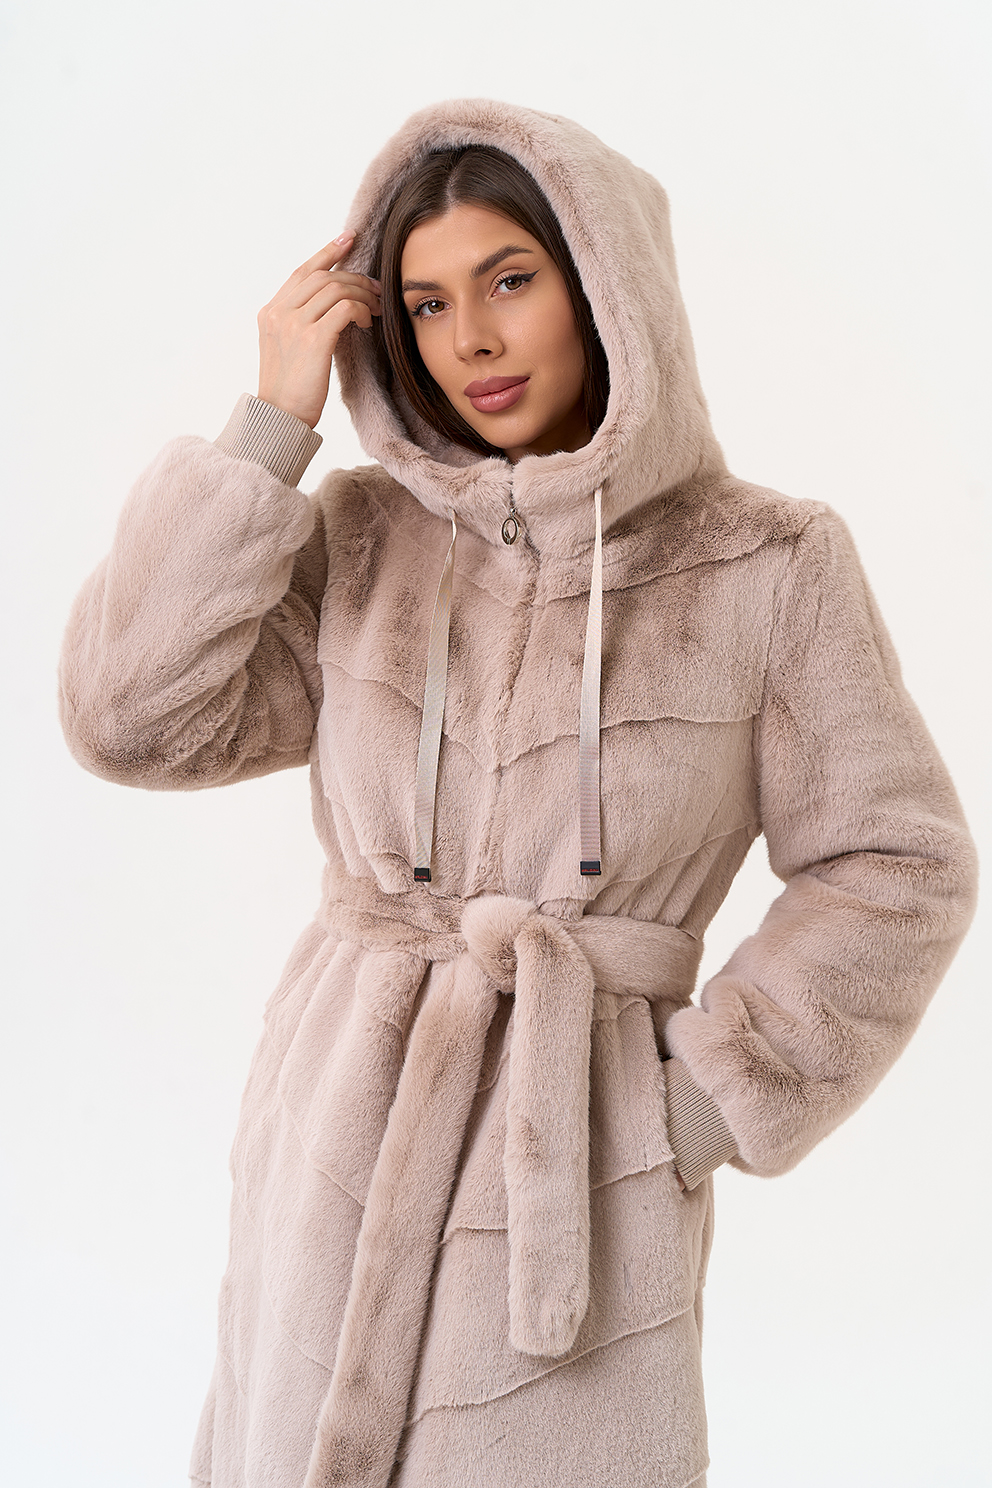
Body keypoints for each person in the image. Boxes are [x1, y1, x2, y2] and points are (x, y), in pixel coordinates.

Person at [58, 99, 977, 1488]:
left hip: (574, 1181)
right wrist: (265, 436)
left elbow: (897, 861)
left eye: (509, 280)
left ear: (602, 283)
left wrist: (698, 1106)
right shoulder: (362, 539)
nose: (471, 340)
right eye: (428, 303)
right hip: (332, 1146)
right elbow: (132, 721)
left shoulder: (768, 564)